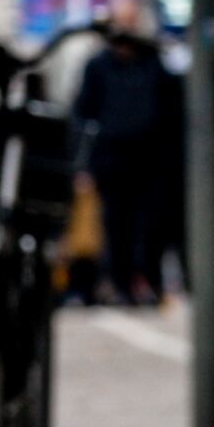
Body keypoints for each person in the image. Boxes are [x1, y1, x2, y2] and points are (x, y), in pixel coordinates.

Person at [71, 23, 180, 305]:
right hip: (112, 161)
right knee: (117, 226)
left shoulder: (154, 66)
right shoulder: (98, 67)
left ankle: (146, 281)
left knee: (151, 227)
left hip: (151, 162)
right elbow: (84, 114)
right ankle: (121, 284)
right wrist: (84, 164)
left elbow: (172, 115)